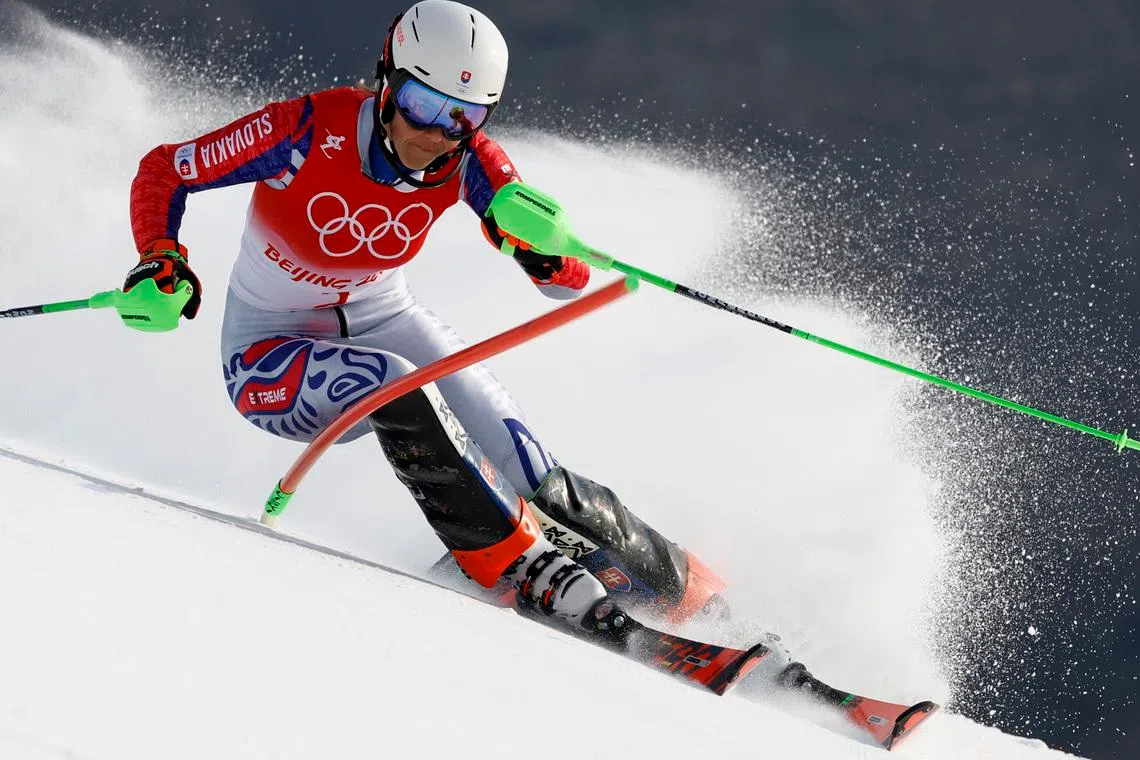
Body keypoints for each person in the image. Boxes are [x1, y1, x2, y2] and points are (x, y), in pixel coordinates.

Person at [122, 0, 728, 643]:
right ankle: (510, 560)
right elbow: (165, 168)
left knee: (532, 469)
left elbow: (566, 284)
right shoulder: (306, 129)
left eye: (462, 118)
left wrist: (549, 249)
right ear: (386, 78)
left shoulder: (473, 162)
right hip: (268, 356)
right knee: (397, 380)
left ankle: (690, 590)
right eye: (421, 104)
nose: (435, 134)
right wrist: (162, 257)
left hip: (385, 316)